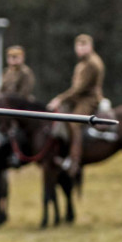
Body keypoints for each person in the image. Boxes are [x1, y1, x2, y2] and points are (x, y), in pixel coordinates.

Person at [48, 34, 104, 174]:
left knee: (74, 122)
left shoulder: (92, 63)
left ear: (90, 47)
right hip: (79, 98)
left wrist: (60, 98)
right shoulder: (83, 63)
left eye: (84, 46)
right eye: (79, 46)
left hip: (89, 99)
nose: (81, 49)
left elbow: (80, 89)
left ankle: (75, 159)